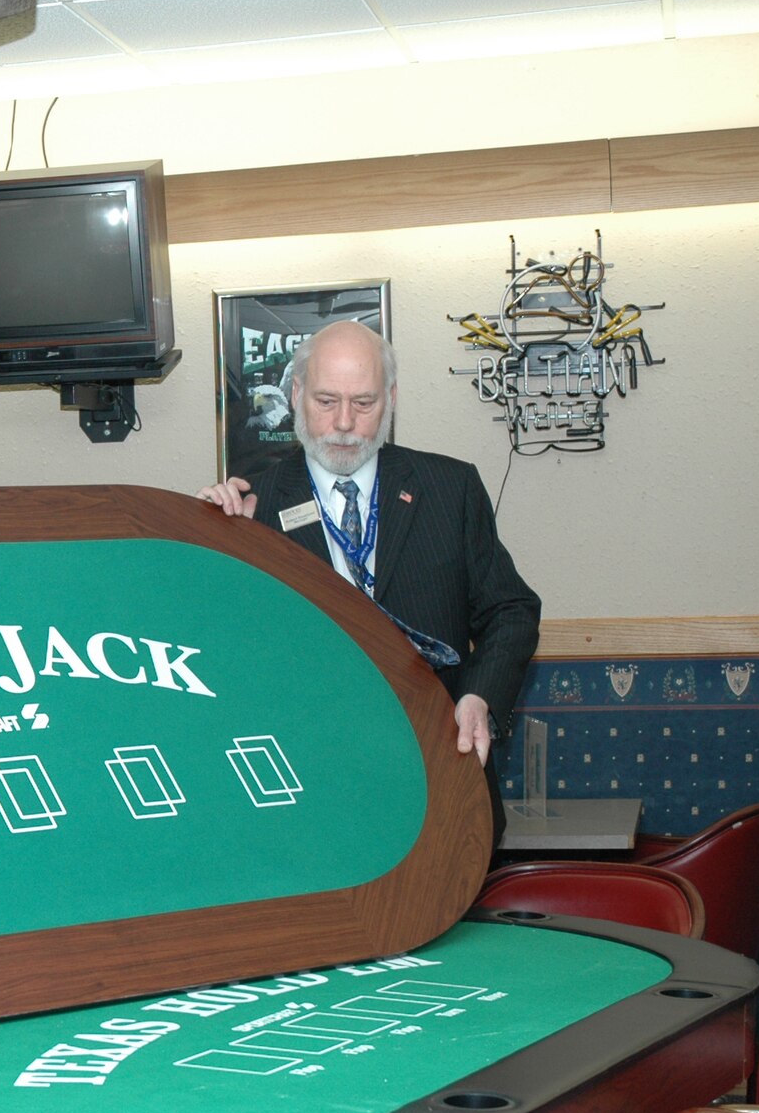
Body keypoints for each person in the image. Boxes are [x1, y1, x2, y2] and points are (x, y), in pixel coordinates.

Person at [200, 320, 540, 843]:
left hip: (439, 777)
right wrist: (213, 547)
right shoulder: (251, 510)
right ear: (295, 395)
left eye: (363, 403)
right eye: (325, 400)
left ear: (392, 399)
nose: (343, 423)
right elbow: (216, 653)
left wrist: (480, 698)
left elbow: (511, 611)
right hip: (305, 795)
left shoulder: (450, 489)